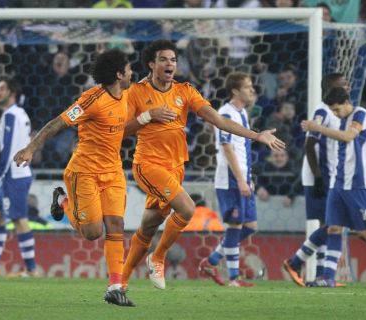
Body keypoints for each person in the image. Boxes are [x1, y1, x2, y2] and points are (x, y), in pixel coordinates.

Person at [121, 40, 285, 291]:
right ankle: (158, 257)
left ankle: (118, 284)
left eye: (173, 60)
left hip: (175, 168)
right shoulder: (136, 92)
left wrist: (257, 135)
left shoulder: (185, 91)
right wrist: (147, 116)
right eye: (164, 59)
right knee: (187, 209)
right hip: (147, 164)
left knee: (149, 226)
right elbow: (119, 130)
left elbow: (218, 120)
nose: (170, 64)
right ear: (151, 64)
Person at [13, 48, 164, 307]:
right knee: (93, 233)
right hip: (84, 172)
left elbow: (146, 94)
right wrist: (30, 148)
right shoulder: (91, 100)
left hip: (113, 171)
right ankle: (62, 200)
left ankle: (115, 286)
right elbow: (57, 123)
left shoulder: (128, 95)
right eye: (127, 69)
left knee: (116, 225)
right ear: (118, 74)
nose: (131, 72)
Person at [301, 87, 366, 288]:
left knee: (365, 233)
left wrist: (317, 128)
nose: (335, 114)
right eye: (332, 111)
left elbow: (348, 137)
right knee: (333, 228)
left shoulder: (360, 114)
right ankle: (328, 277)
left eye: (337, 110)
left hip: (357, 185)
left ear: (346, 101)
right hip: (338, 183)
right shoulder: (344, 120)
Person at [282, 73, 347, 286]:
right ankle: (299, 264)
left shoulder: (335, 112)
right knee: (331, 224)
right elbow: (309, 144)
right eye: (343, 83)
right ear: (331, 87)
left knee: (329, 224)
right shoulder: (322, 110)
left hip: (329, 174)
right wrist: (318, 177)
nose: (347, 85)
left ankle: (322, 276)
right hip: (319, 175)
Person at [198, 71, 260, 287]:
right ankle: (234, 278)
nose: (251, 90)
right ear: (235, 90)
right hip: (231, 179)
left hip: (242, 176)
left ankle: (212, 261)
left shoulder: (242, 113)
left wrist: (247, 177)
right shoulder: (226, 112)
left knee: (250, 225)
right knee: (235, 226)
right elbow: (227, 147)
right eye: (247, 86)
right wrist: (241, 180)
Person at [0, 78, 37, 277]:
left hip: (15, 176)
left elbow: (9, 151)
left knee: (20, 220)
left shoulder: (11, 115)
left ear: (11, 92)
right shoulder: (19, 113)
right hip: (13, 175)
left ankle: (31, 270)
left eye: (1, 88)